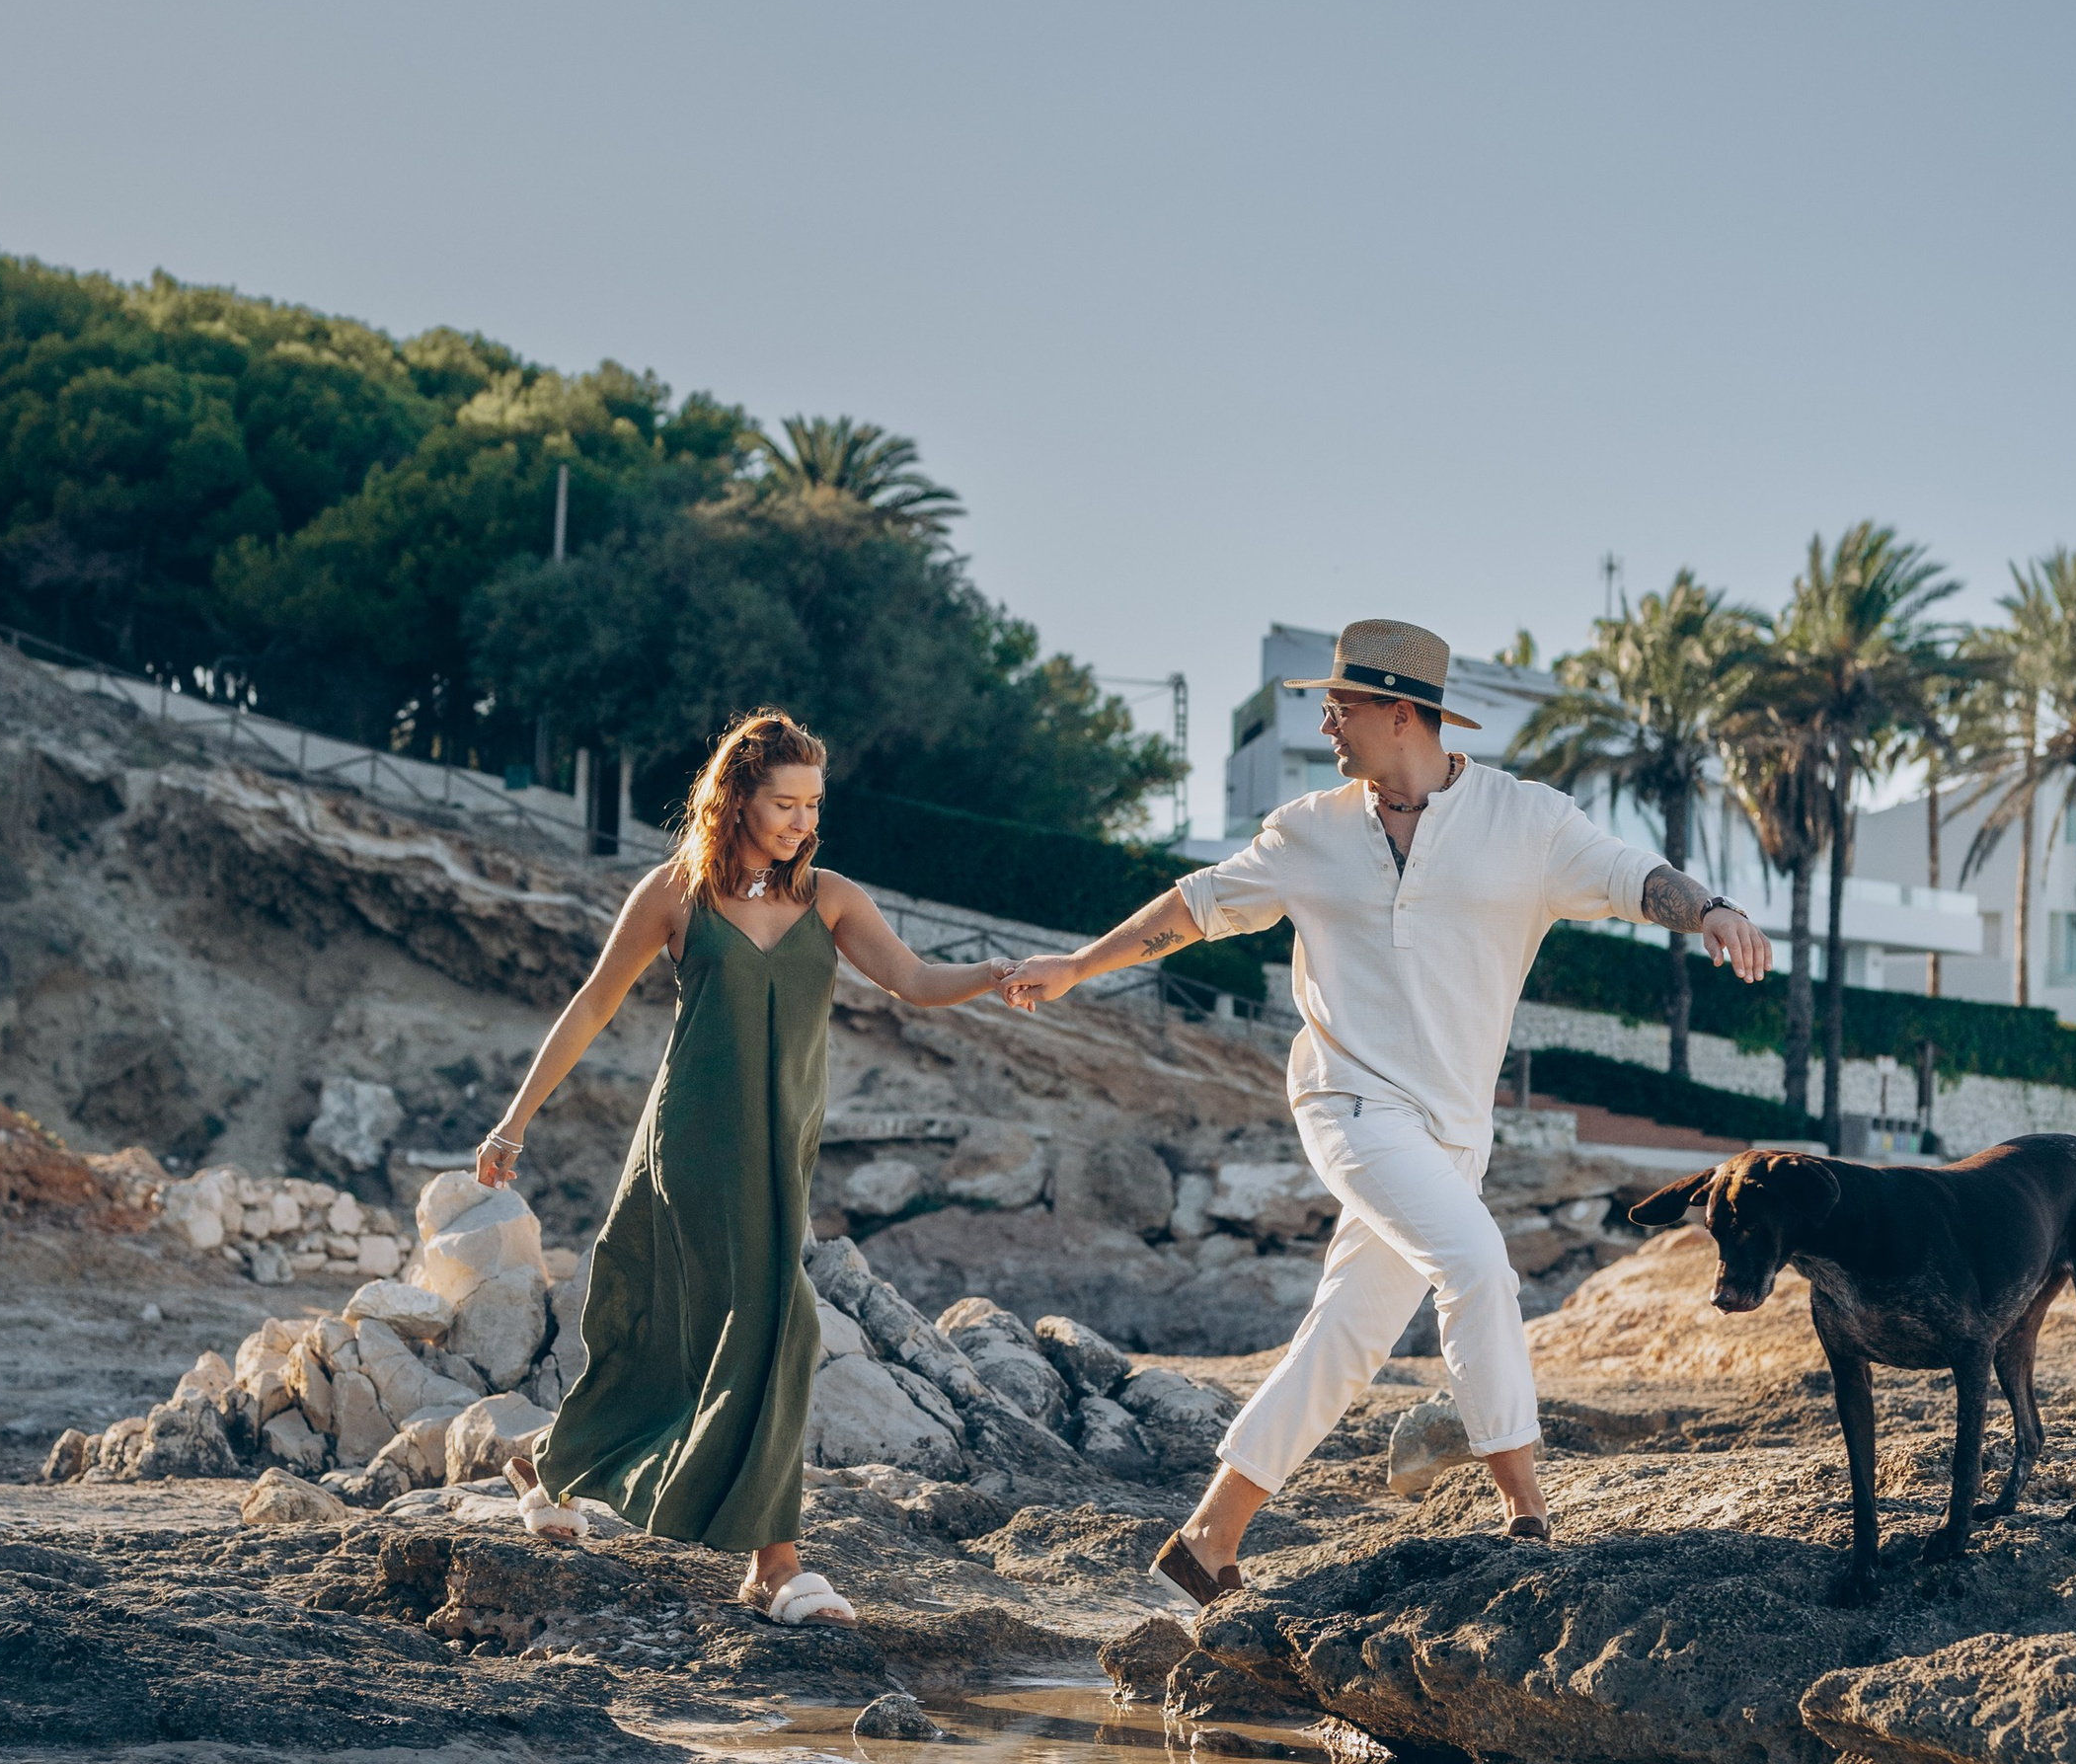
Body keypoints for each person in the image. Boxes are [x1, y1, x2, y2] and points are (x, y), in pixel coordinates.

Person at [1004, 615, 1770, 1602]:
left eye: (1341, 704)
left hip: (1453, 1127)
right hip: (1346, 1101)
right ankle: (1527, 1518)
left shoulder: (1524, 822)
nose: (1326, 720)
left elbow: (1631, 878)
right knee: (1477, 1265)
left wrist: (1712, 910)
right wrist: (1075, 965)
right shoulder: (1308, 832)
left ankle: (1207, 1538)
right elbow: (1188, 909)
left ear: (1400, 712)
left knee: (1348, 1333)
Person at [472, 709, 1012, 1624]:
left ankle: (549, 1461)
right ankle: (774, 1566)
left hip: (779, 1146)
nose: (803, 822)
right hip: (692, 1140)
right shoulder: (675, 895)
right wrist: (513, 1121)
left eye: (813, 805)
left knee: (709, 1332)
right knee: (782, 1323)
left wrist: (997, 972)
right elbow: (591, 1008)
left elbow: (913, 980)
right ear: (736, 799)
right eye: (784, 804)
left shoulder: (830, 899)